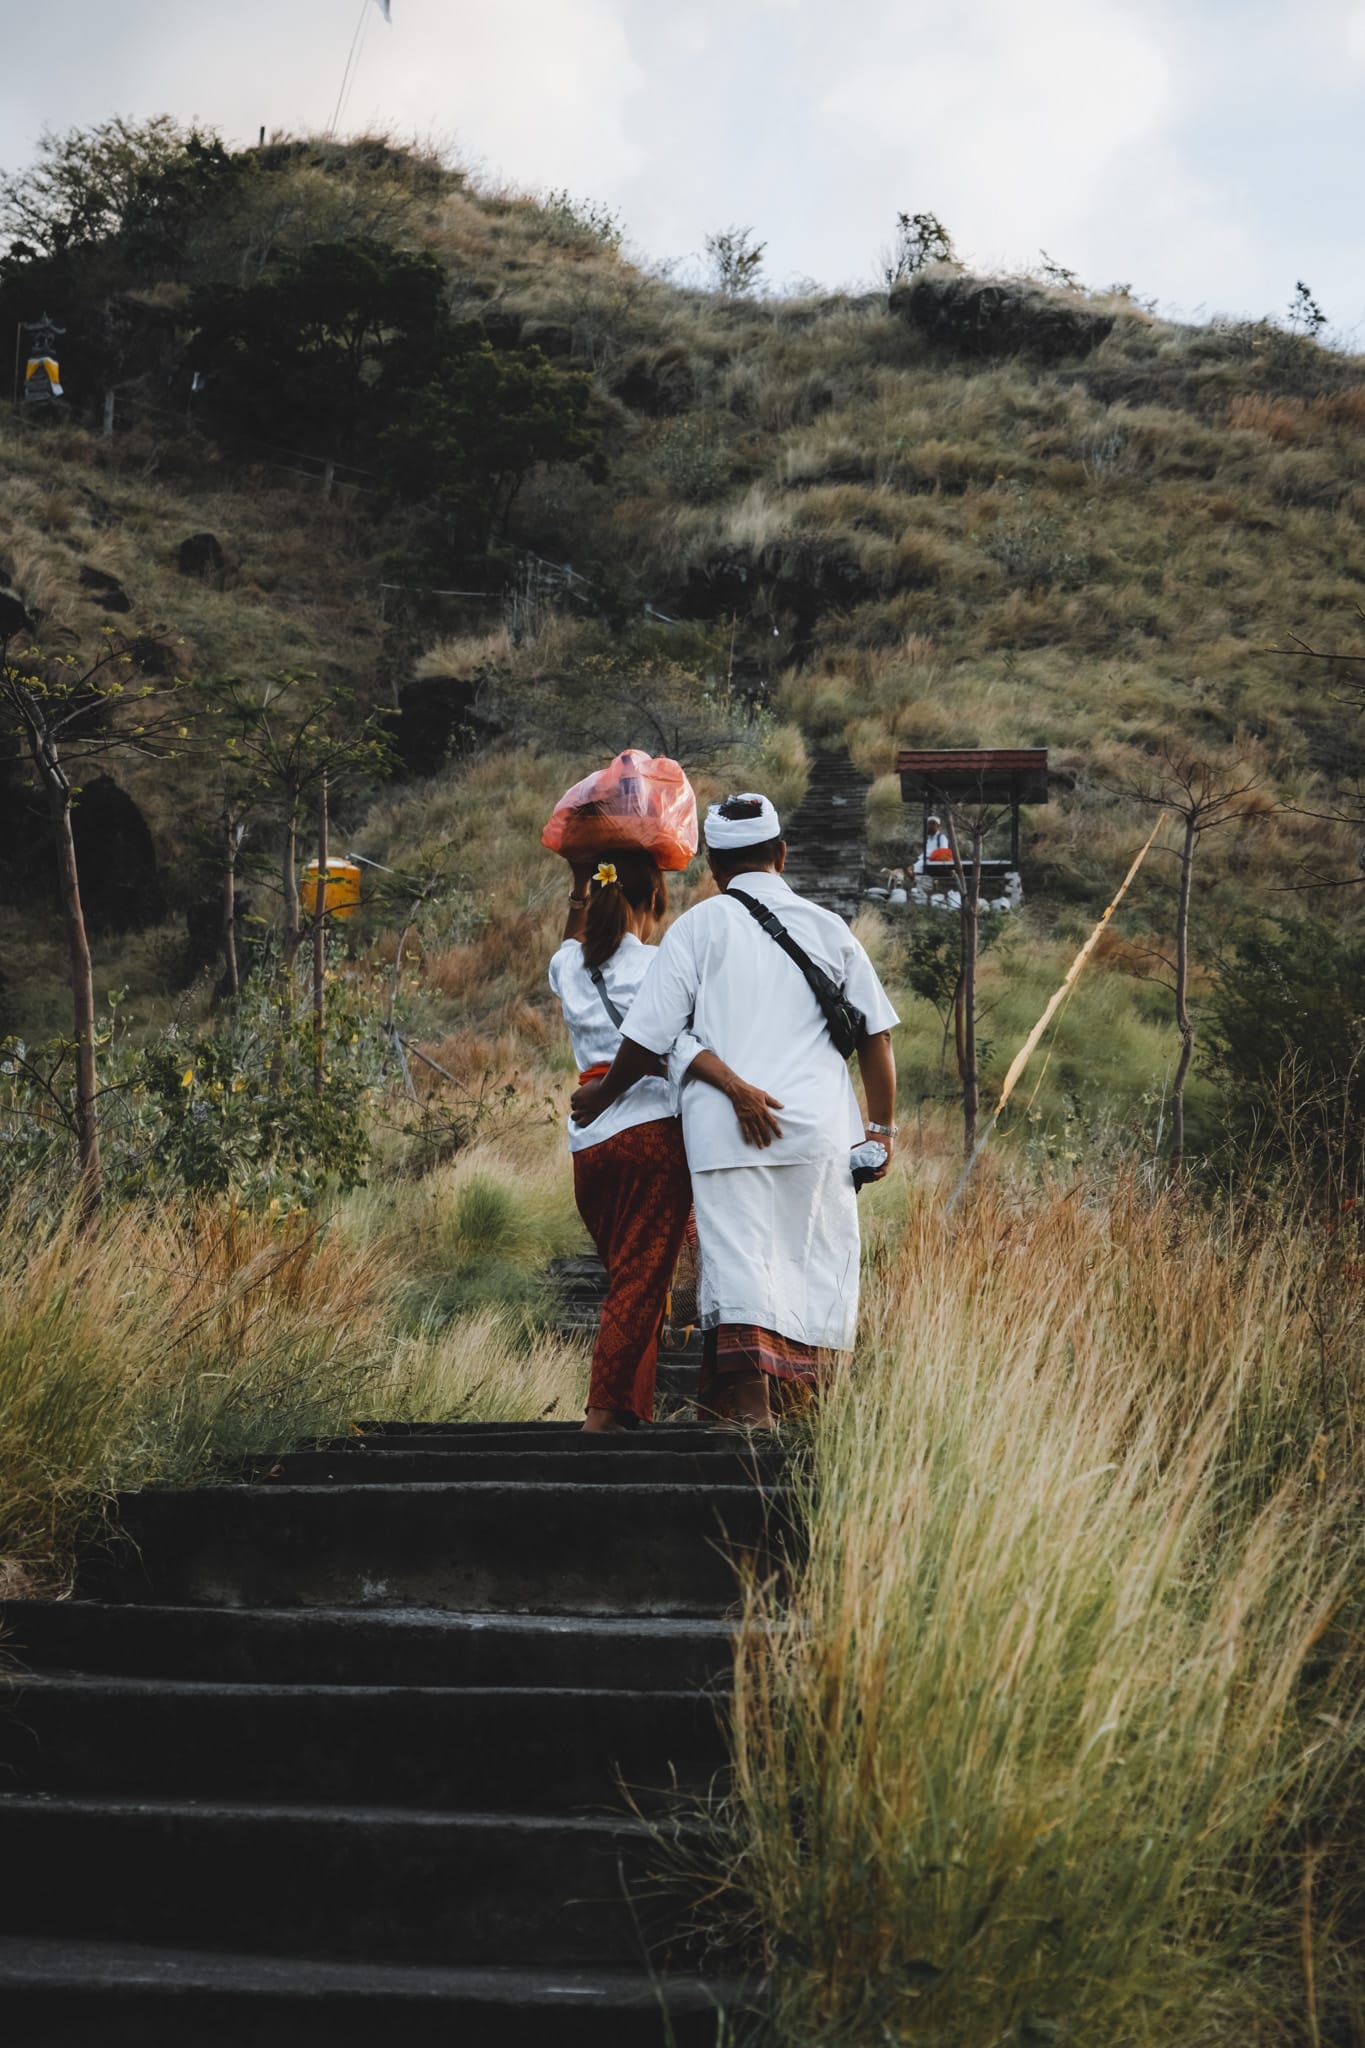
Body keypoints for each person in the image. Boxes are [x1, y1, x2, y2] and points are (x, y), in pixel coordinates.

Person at [571, 794, 899, 1430]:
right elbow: (875, 1036)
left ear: (714, 869)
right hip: (817, 1126)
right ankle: (809, 1413)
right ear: (781, 855)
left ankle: (750, 1408)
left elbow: (648, 1038)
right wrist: (880, 1132)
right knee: (815, 1255)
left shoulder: (699, 927)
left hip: (722, 1126)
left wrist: (602, 1096)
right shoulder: (831, 928)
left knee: (739, 1255)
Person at [550, 850, 775, 1433]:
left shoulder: (566, 964)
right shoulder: (657, 966)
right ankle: (600, 1421)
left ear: (594, 900)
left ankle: (627, 1411)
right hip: (649, 1138)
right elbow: (674, 1045)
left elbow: (575, 938)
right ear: (652, 904)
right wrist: (738, 1087)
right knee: (639, 1283)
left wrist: (581, 876)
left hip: (588, 1148)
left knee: (629, 1274)